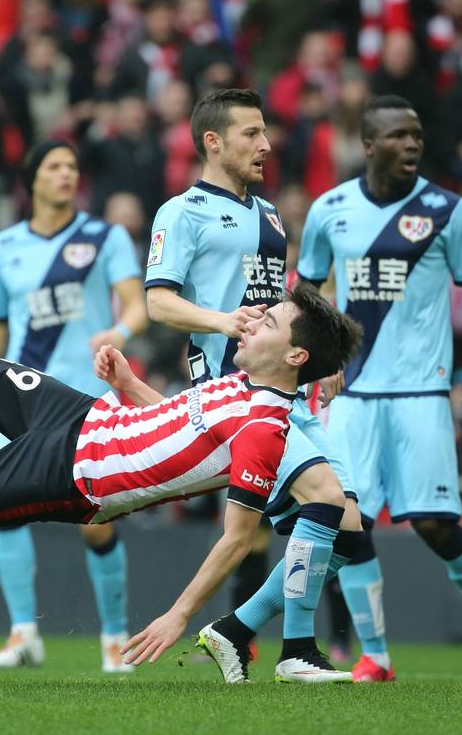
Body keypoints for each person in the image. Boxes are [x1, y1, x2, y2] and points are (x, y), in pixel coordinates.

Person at [0, 285, 362, 673]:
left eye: (267, 322)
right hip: (87, 418)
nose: (251, 319)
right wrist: (127, 382)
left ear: (295, 354)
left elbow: (238, 538)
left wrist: (179, 615)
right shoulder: (237, 385)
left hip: (75, 477)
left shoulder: (265, 429)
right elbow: (171, 425)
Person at [291, 95, 462, 683]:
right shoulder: (330, 210)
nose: (413, 144)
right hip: (353, 395)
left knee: (432, 524)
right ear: (369, 146)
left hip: (421, 392)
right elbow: (307, 295)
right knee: (347, 521)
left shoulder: (448, 211)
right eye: (398, 135)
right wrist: (315, 364)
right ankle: (376, 654)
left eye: (417, 134)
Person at [143, 88, 366, 683]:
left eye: (266, 132)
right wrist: (221, 321)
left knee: (346, 532)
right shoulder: (181, 211)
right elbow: (158, 302)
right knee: (323, 499)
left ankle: (235, 630)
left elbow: (283, 305)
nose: (266, 144)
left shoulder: (267, 215)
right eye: (251, 134)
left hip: (281, 384)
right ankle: (296, 650)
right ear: (213, 142)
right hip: (233, 390)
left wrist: (316, 360)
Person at [0, 141, 148, 673]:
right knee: (1, 510)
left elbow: (136, 301)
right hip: (17, 397)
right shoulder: (2, 248)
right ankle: (23, 634)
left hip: (86, 400)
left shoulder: (103, 237)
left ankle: (115, 638)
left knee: (96, 518)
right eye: (55, 166)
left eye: (72, 165)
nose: (67, 174)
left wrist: (121, 328)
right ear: (32, 179)